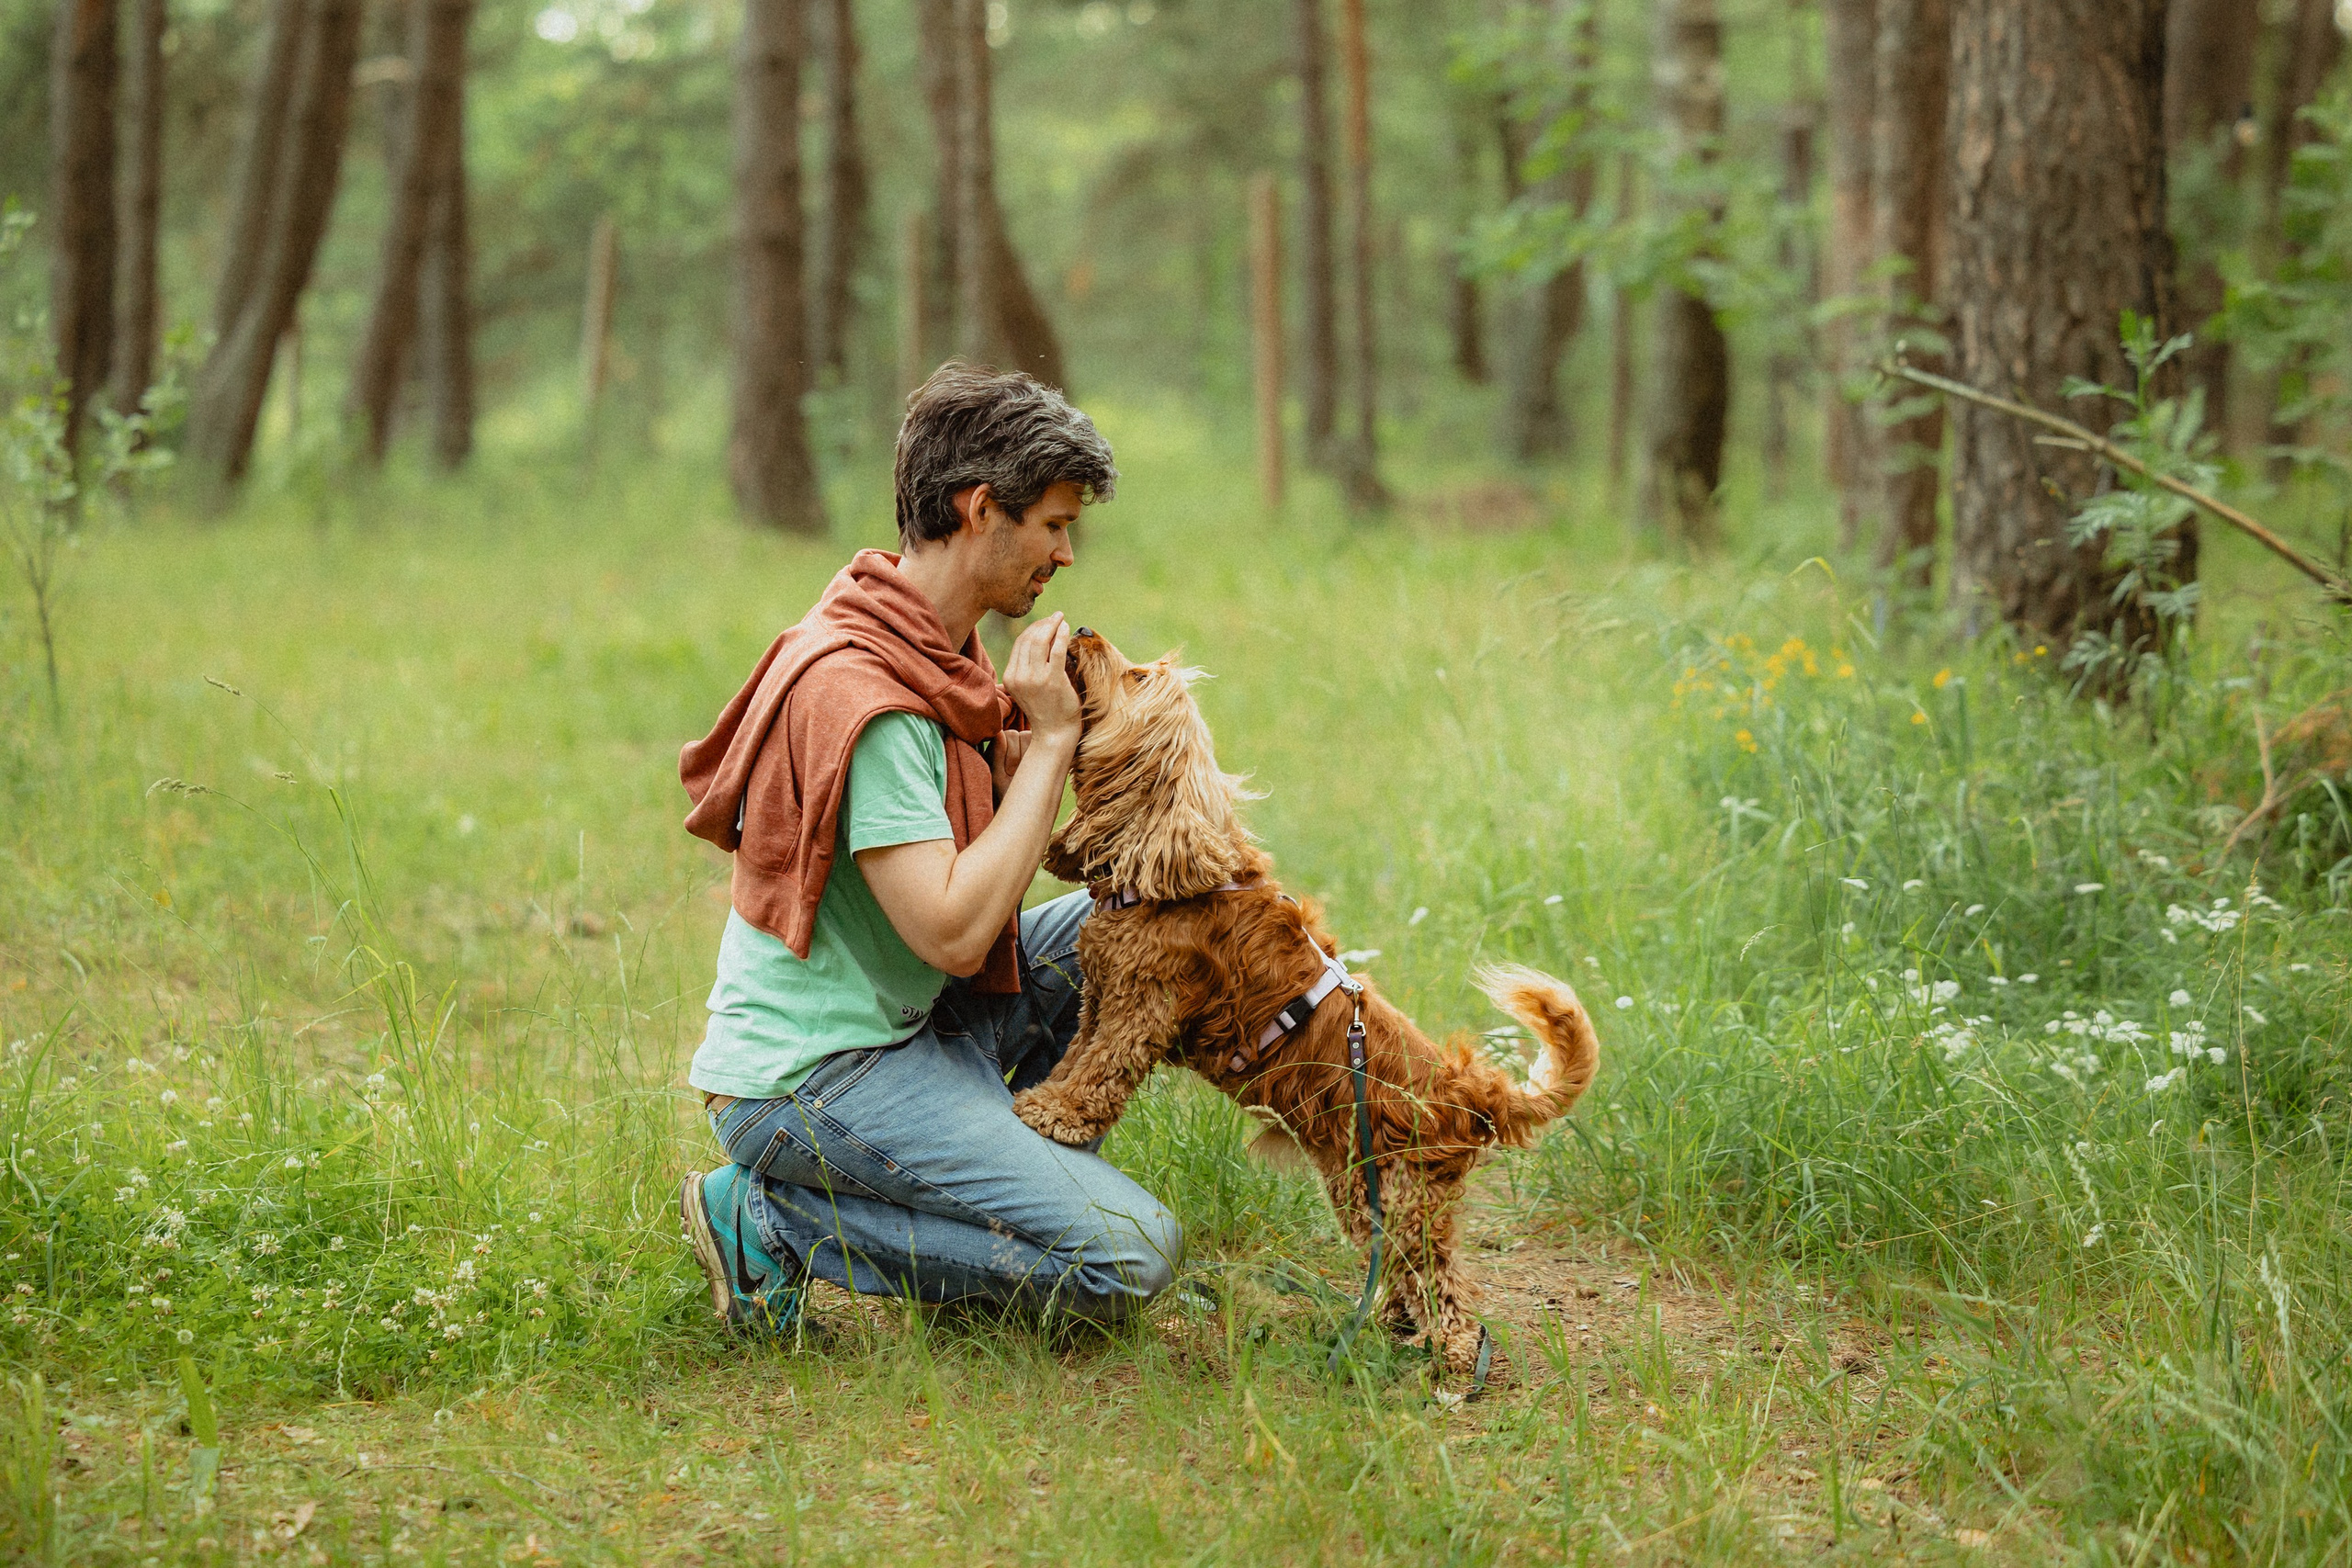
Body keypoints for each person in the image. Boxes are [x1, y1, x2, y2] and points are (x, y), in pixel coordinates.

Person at [673, 363, 1180, 1337]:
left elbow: (972, 895)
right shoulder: (871, 697)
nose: (1066, 553)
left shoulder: (935, 646)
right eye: (1054, 524)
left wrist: (1029, 772)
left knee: (1140, 921)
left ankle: (993, 1204)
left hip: (916, 1018)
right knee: (1130, 1254)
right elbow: (952, 931)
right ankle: (769, 1221)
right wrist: (1050, 750)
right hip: (816, 1077)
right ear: (981, 508)